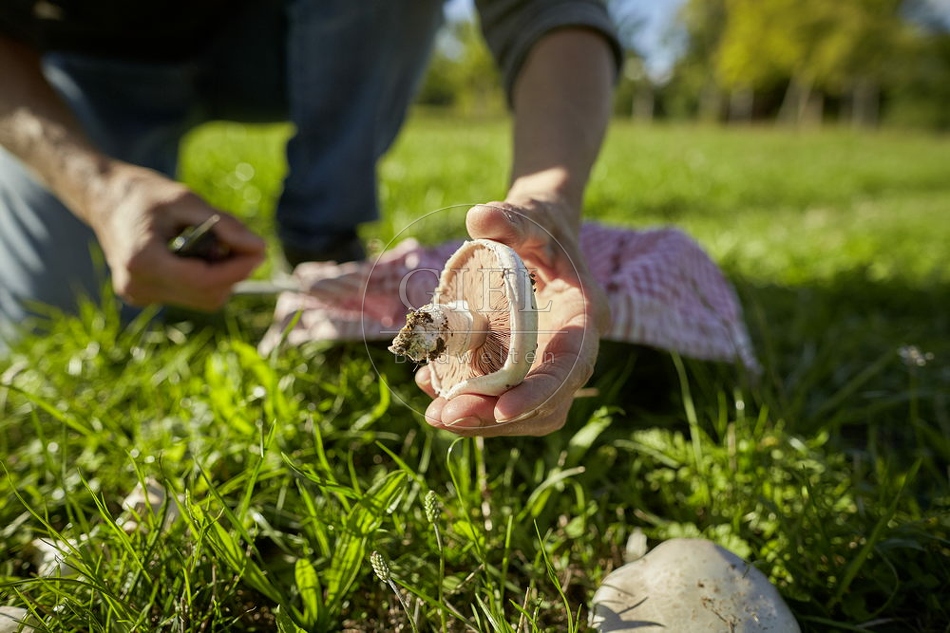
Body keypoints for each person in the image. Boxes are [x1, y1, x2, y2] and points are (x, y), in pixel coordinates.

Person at [0, 0, 621, 436]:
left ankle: (323, 242)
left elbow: (551, 8)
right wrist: (97, 188)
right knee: (59, 312)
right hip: (79, 64)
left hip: (297, 37)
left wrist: (551, 198)